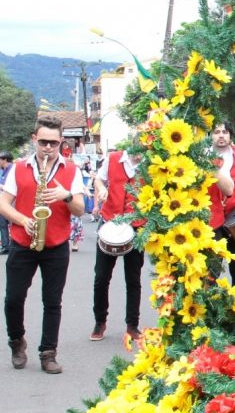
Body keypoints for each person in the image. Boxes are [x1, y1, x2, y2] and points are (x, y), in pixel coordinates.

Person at [1, 115, 85, 374]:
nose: (48, 148)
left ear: (61, 142)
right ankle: (17, 341)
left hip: (56, 244)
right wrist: (22, 219)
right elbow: (3, 203)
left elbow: (80, 210)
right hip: (23, 242)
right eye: (44, 142)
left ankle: (48, 353)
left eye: (54, 143)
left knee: (52, 301)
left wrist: (67, 195)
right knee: (13, 299)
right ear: (34, 139)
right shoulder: (18, 168)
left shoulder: (71, 170)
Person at [90, 146, 145, 341]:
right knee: (101, 277)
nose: (140, 153)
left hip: (136, 226)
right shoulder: (113, 158)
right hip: (109, 223)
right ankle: (99, 321)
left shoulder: (151, 163)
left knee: (133, 279)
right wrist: (102, 187)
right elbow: (98, 178)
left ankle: (132, 325)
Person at [211, 123, 235, 290]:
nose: (221, 135)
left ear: (230, 136)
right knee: (212, 270)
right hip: (211, 223)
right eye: (216, 132)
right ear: (210, 136)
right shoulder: (203, 157)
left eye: (225, 132)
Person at [0, 151, 13, 254]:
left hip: (12, 201)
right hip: (3, 201)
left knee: (13, 223)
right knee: (3, 224)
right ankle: (5, 246)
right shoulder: (3, 170)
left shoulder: (12, 170)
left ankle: (13, 245)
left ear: (4, 159)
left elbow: (12, 187)